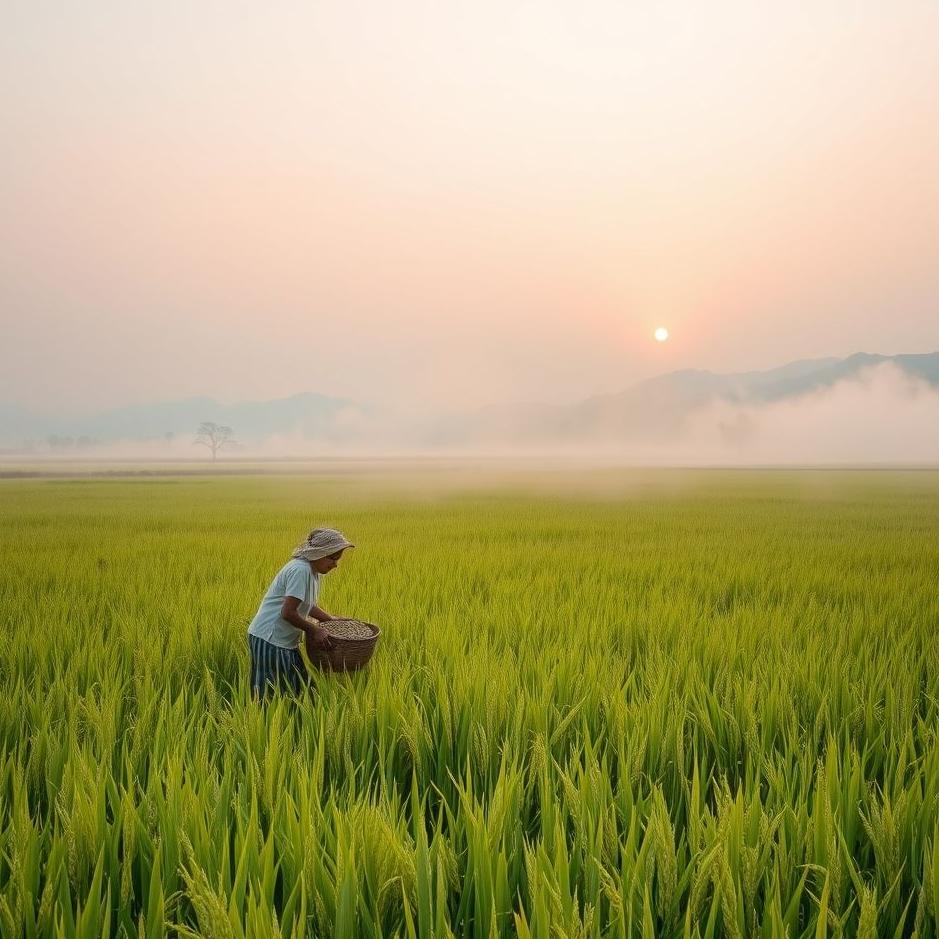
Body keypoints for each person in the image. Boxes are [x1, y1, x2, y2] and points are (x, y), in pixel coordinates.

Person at [247, 527, 355, 699]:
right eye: (333, 558)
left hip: (284, 640)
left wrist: (331, 620)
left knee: (300, 687)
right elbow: (288, 612)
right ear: (320, 553)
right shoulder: (300, 570)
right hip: (270, 638)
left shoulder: (313, 571)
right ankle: (265, 722)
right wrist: (315, 629)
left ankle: (293, 720)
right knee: (271, 694)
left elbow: (306, 605)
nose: (335, 564)